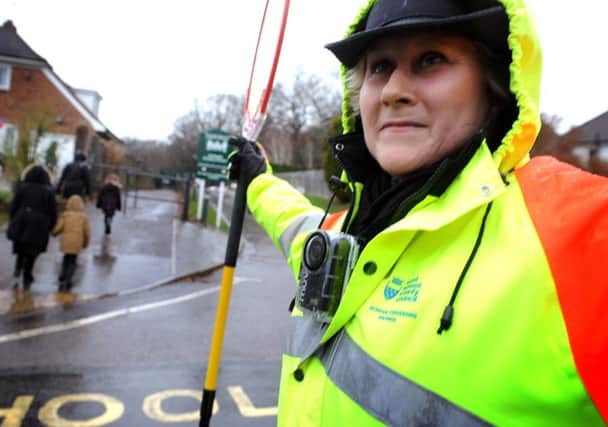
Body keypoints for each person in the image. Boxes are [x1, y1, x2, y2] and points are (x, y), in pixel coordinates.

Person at [228, 0, 608, 425]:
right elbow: (296, 225)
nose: (393, 91)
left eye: (431, 59)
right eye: (379, 67)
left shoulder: (577, 232)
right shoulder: (350, 230)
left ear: (496, 88)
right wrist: (258, 179)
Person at [6, 164, 58, 289]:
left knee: (21, 247)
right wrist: (51, 225)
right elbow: (53, 211)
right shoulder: (49, 191)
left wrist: (13, 220)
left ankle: (18, 268)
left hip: (22, 220)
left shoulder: (23, 188)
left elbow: (14, 206)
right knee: (33, 250)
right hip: (39, 225)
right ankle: (28, 272)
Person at [52, 195, 90, 292]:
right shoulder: (83, 217)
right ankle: (68, 279)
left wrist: (54, 233)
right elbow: (87, 232)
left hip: (66, 242)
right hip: (77, 242)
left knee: (65, 258)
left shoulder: (66, 215)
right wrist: (86, 243)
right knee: (73, 261)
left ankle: (62, 275)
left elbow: (59, 227)